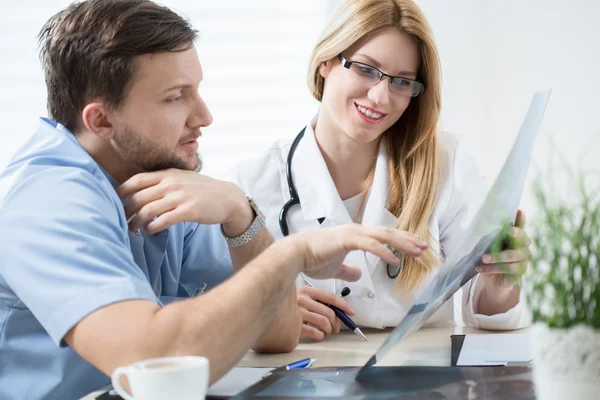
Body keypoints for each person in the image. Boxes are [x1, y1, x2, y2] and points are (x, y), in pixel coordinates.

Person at [0, 1, 430, 399]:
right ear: (101, 120)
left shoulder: (161, 181)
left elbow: (276, 333)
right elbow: (150, 362)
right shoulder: (48, 201)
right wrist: (292, 255)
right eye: (175, 97)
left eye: (197, 90)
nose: (204, 116)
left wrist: (242, 216)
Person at [233, 0, 532, 341]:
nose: (380, 97)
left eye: (402, 82)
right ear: (325, 62)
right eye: (365, 69)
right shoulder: (252, 183)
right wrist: (275, 314)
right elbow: (221, 314)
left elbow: (487, 313)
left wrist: (499, 285)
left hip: (426, 385)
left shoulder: (447, 165)